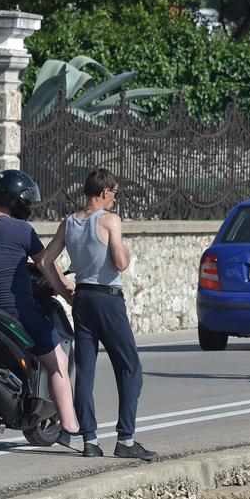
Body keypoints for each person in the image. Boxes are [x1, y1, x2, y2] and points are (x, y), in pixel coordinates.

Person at [0, 170, 84, 451]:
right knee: (58, 362)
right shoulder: (21, 231)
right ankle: (70, 427)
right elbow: (45, 263)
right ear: (19, 200)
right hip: (13, 310)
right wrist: (67, 292)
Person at [42, 168, 156, 461]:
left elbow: (45, 259)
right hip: (108, 299)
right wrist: (125, 250)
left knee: (86, 370)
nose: (115, 200)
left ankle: (89, 440)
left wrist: (64, 291)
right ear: (105, 192)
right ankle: (126, 440)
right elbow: (119, 263)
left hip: (82, 298)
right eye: (115, 193)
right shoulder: (109, 220)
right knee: (131, 367)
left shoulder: (69, 223)